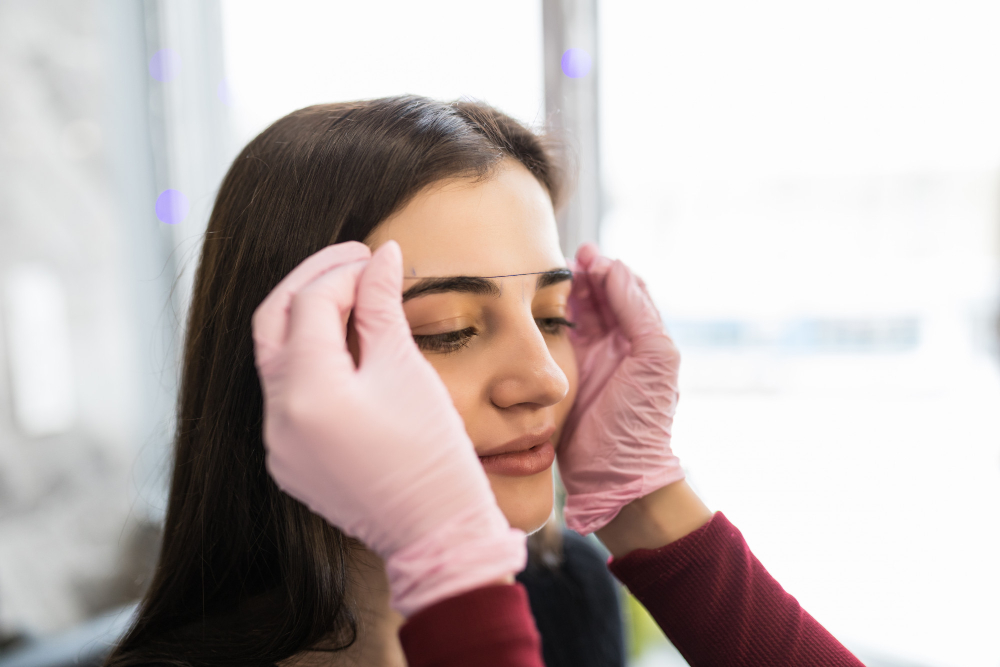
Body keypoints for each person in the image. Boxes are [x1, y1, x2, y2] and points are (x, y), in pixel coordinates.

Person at [105, 95, 863, 667]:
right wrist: (453, 576)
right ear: (294, 367)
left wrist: (646, 501)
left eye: (553, 314)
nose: (543, 380)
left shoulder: (564, 599)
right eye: (447, 330)